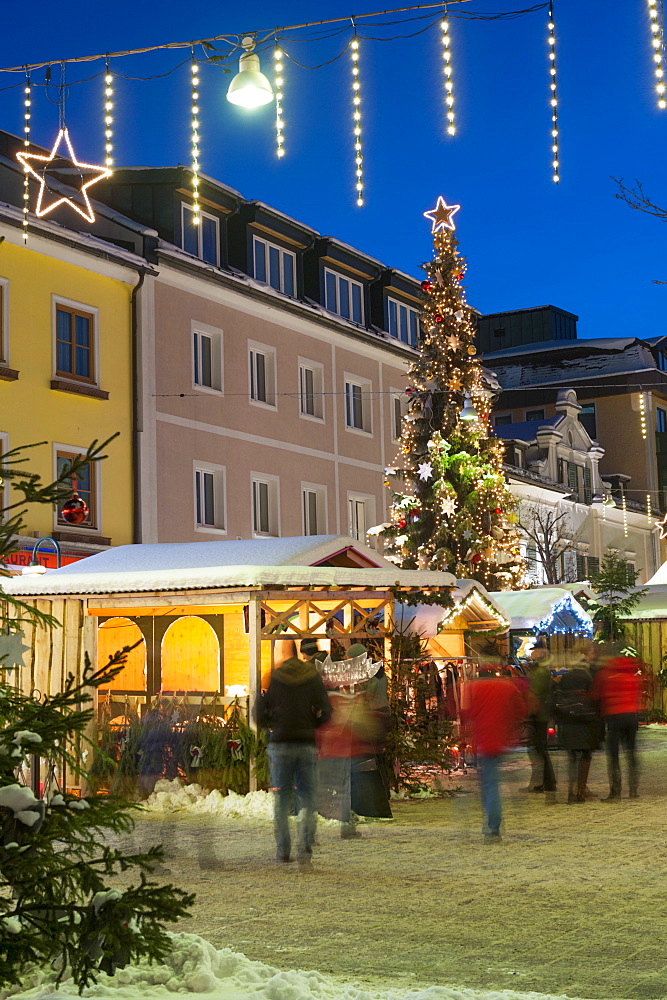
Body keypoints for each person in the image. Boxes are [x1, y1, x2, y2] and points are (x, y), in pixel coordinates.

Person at [256, 637, 332, 866]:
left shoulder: (275, 677)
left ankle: (283, 850)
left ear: (283, 651)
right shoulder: (311, 676)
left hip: (280, 743)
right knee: (308, 796)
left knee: (281, 797)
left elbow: (260, 707)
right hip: (305, 742)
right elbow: (326, 709)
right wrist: (313, 724)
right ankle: (306, 846)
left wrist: (270, 724)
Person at [460, 664, 525, 842]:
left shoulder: (472, 687)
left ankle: (493, 825)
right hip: (501, 739)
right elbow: (520, 711)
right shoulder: (507, 687)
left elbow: (466, 714)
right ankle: (493, 823)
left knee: (489, 785)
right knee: (493, 783)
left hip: (482, 740)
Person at [591, 645, 644, 800]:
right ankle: (633, 790)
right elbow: (637, 694)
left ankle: (615, 791)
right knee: (631, 753)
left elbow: (595, 695)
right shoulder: (631, 675)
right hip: (630, 716)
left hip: (614, 717)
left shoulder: (605, 674)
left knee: (613, 755)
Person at [554, 663, 598, 804]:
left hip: (569, 721)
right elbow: (595, 698)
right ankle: (581, 790)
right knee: (585, 756)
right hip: (585, 722)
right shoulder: (588, 678)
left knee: (572, 758)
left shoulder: (565, 679)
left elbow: (557, 700)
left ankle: (571, 792)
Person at [525, 641, 557, 799]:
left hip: (539, 715)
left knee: (539, 749)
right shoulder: (542, 670)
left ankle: (548, 782)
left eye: (535, 651)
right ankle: (547, 782)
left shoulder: (541, 672)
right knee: (539, 749)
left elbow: (535, 693)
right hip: (541, 714)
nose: (532, 654)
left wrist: (530, 710)